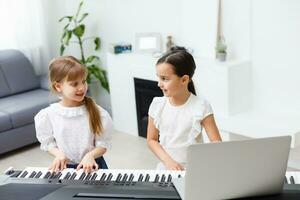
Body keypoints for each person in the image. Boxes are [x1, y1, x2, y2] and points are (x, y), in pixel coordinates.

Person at [147, 47, 222, 170]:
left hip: (195, 170)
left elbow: (216, 143)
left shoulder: (201, 106)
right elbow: (151, 140)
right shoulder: (157, 105)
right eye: (159, 78)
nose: (159, 84)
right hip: (166, 167)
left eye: (164, 79)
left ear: (184, 79)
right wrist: (168, 162)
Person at [34, 56, 113, 173]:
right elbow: (48, 143)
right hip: (65, 168)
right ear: (58, 86)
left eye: (83, 81)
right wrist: (59, 154)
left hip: (93, 166)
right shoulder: (48, 115)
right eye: (74, 84)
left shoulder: (98, 112)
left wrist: (90, 155)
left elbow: (103, 144)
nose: (82, 87)